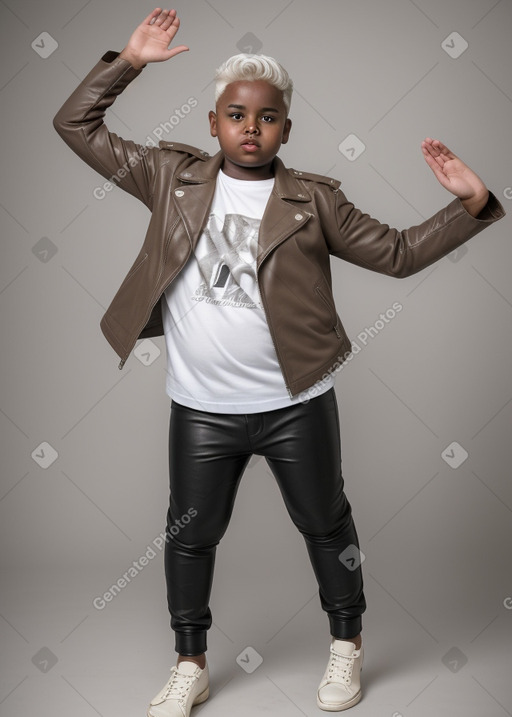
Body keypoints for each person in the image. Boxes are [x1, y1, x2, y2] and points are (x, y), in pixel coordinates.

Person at [53, 7, 505, 716]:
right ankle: (190, 662)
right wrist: (131, 63)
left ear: (286, 128)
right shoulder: (169, 175)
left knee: (327, 524)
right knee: (190, 533)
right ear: (213, 123)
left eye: (267, 117)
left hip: (296, 404)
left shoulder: (315, 200)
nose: (251, 127)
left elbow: (398, 254)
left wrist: (472, 203)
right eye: (236, 114)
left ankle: (346, 644)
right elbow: (75, 126)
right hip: (202, 407)